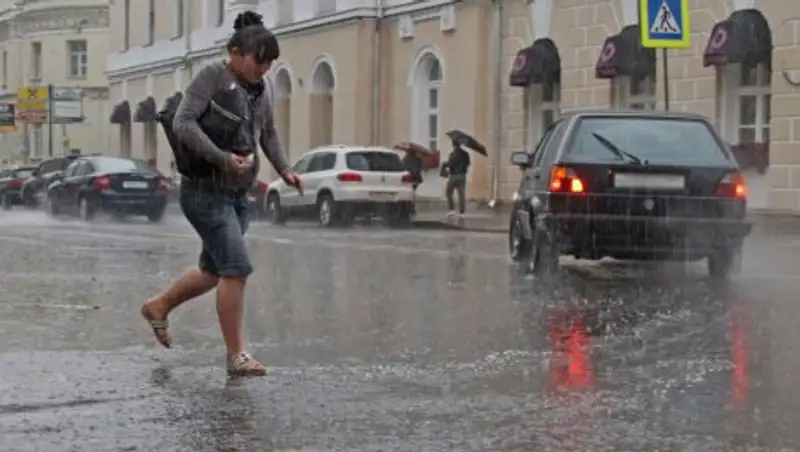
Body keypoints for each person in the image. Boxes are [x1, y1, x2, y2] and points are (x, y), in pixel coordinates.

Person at [140, 11, 301, 378]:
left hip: (237, 195)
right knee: (237, 269)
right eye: (257, 59)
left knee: (213, 271)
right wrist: (222, 158)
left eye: (268, 62)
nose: (262, 67)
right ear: (235, 51)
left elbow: (269, 132)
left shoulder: (263, 88)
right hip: (205, 192)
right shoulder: (213, 75)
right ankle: (236, 355)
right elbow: (183, 121)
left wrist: (286, 169)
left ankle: (158, 305)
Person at [444, 142, 470, 216]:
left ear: (453, 145)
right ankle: (462, 212)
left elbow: (450, 164)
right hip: (462, 175)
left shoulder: (452, 154)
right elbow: (468, 164)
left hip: (454, 175)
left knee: (448, 192)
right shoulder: (466, 154)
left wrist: (445, 164)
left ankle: (452, 210)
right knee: (461, 194)